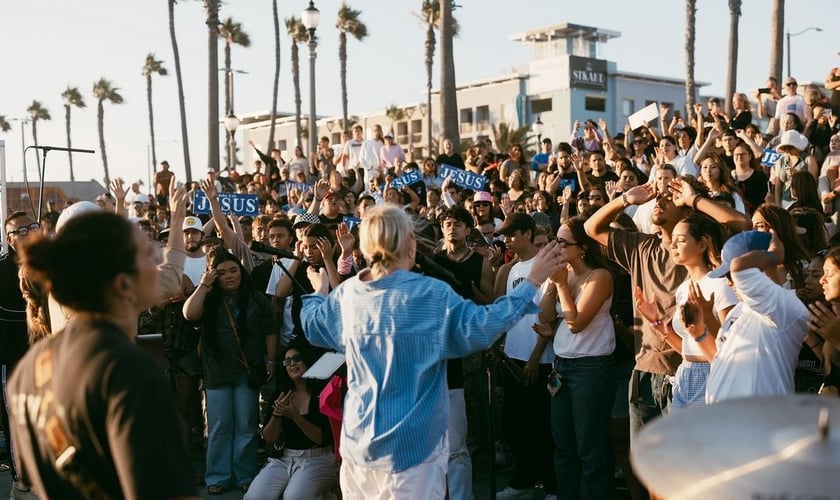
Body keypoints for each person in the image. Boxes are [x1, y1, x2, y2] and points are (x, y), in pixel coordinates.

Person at [300, 205, 564, 499]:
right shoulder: (429, 295)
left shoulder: (347, 295)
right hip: (413, 452)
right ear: (410, 243)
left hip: (358, 448)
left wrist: (318, 290)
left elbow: (312, 326)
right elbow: (485, 325)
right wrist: (531, 283)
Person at [7, 211, 198, 499]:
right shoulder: (127, 371)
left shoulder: (27, 370)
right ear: (123, 284)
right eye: (147, 256)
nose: (157, 261)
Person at [183, 247, 278, 495]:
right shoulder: (208, 297)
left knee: (247, 424)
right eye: (222, 272)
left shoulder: (256, 298)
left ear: (241, 271)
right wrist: (204, 285)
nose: (229, 276)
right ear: (213, 274)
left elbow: (270, 331)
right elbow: (189, 314)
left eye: (234, 270)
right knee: (218, 426)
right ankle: (217, 475)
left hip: (248, 372)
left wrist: (270, 361)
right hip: (216, 373)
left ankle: (244, 474)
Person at [536, 216, 616, 500]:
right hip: (562, 367)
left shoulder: (600, 277)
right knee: (564, 447)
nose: (556, 246)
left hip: (590, 369)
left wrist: (560, 286)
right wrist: (551, 282)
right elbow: (546, 315)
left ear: (582, 247)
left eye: (562, 242)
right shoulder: (563, 275)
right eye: (555, 240)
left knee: (590, 449)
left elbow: (576, 322)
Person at [705, 230, 809, 403]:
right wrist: (699, 333)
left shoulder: (784, 307)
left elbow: (739, 267)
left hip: (761, 423)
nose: (729, 282)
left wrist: (774, 255)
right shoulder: (738, 310)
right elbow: (720, 362)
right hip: (726, 422)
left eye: (729, 275)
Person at [245, 345, 337, 500]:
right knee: (256, 496)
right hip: (285, 458)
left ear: (307, 361)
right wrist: (277, 414)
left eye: (297, 359)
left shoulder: (320, 392)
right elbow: (269, 437)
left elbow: (322, 438)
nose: (292, 364)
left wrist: (295, 416)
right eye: (287, 361)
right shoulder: (281, 393)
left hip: (318, 457)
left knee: (294, 497)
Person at [1, 212, 40, 497]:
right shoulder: (1, 269)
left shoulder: (50, 266)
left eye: (33, 227)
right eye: (21, 230)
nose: (28, 233)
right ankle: (21, 483)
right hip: (10, 358)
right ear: (9, 239)